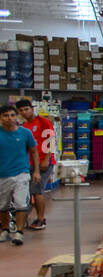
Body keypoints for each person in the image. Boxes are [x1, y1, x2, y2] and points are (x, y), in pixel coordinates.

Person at [0, 104, 38, 245]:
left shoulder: (25, 133)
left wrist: (36, 171)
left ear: (16, 117)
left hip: (21, 173)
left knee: (21, 204)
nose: (9, 118)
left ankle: (19, 232)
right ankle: (5, 230)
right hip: (2, 175)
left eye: (12, 115)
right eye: (5, 115)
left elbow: (34, 151)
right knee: (2, 205)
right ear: (1, 118)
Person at [15, 98, 55, 230]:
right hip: (30, 163)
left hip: (44, 163)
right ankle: (30, 217)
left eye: (26, 109)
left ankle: (41, 219)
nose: (24, 112)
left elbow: (51, 140)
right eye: (21, 111)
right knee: (31, 192)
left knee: (37, 191)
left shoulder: (43, 122)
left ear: (32, 109)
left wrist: (47, 159)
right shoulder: (24, 127)